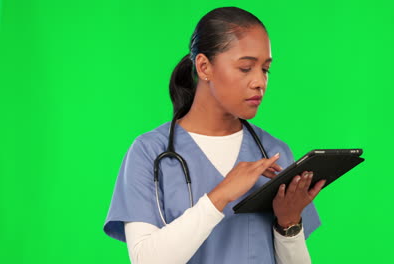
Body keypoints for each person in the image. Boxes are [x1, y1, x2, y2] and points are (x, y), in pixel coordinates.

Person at [103, 6, 326, 264]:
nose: (260, 82)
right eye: (245, 68)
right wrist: (220, 195)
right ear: (204, 66)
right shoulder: (149, 152)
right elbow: (146, 260)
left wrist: (289, 225)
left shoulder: (274, 152)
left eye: (265, 69)